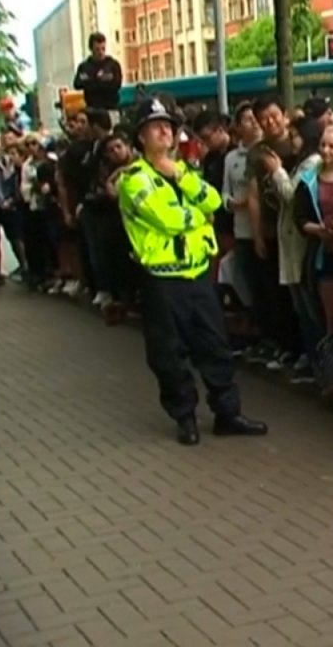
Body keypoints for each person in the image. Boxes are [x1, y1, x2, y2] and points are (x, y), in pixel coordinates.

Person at [117, 98, 267, 445]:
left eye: (169, 125)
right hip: (162, 280)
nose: (165, 131)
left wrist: (182, 176)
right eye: (156, 126)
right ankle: (185, 417)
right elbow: (170, 221)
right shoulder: (134, 180)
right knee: (168, 353)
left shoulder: (185, 170)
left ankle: (227, 413)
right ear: (141, 137)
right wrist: (200, 216)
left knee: (215, 344)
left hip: (198, 273)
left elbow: (214, 201)